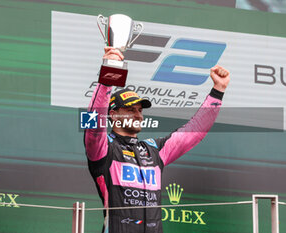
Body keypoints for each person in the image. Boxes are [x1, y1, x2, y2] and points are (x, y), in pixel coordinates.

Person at [84, 47, 230, 233]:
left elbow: (195, 131)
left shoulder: (155, 150)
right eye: (130, 110)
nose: (138, 115)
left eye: (140, 110)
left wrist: (218, 91)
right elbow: (94, 123)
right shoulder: (104, 148)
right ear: (113, 115)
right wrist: (109, 75)